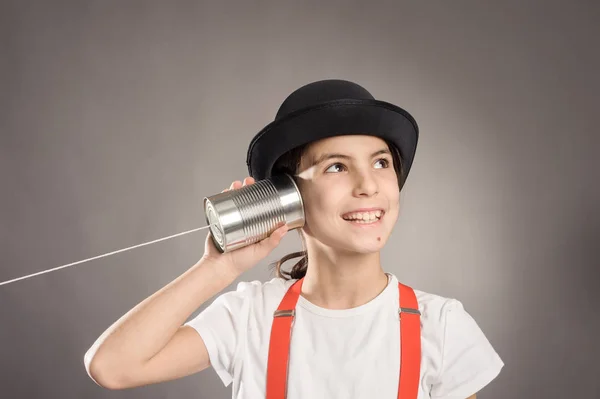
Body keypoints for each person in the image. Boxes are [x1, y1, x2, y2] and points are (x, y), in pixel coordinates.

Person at [84, 80, 504, 398]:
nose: (368, 186)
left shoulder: (442, 326)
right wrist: (218, 267)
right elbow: (113, 367)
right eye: (336, 167)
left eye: (380, 163)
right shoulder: (249, 315)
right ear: (287, 196)